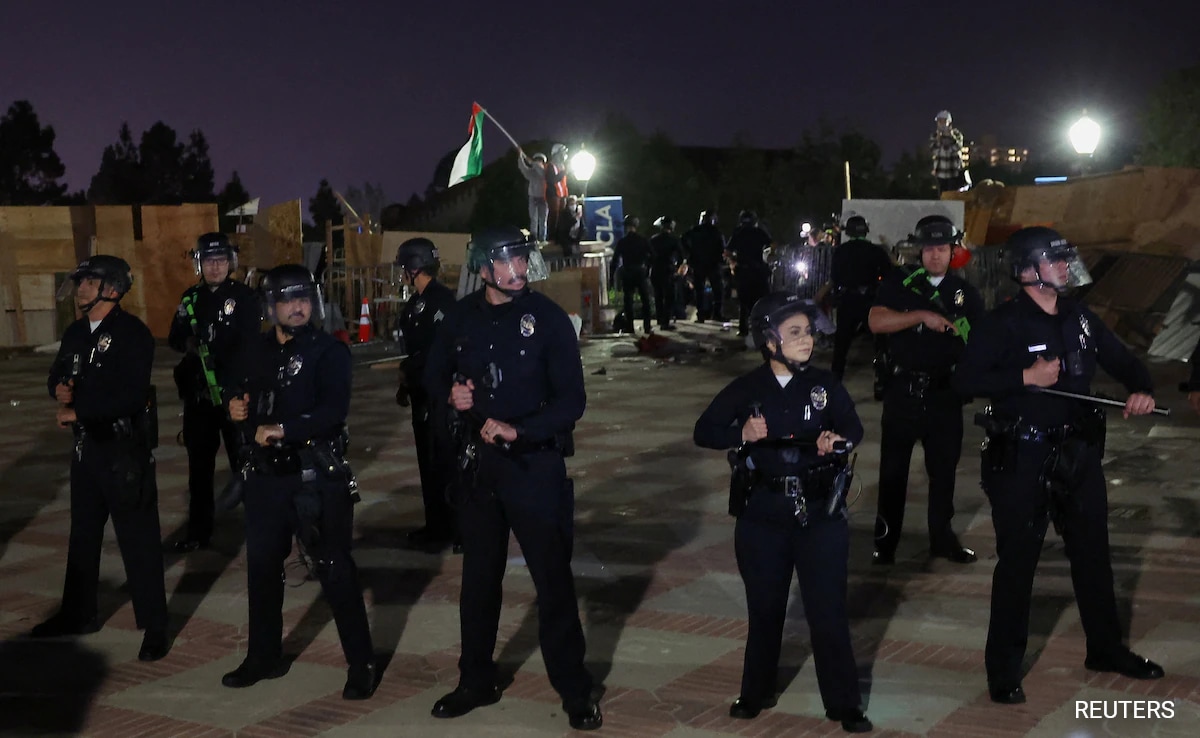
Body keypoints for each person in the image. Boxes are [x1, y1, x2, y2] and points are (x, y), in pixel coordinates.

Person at [954, 226, 1164, 705]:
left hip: (1078, 456)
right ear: (1028, 271)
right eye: (1056, 260)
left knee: (1093, 556)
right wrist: (1024, 376)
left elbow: (1125, 362)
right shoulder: (1003, 323)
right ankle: (1003, 671)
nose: (1066, 267)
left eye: (1066, 259)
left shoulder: (1080, 317)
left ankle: (1106, 649)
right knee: (1018, 564)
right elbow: (964, 380)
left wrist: (1142, 389)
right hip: (1023, 457)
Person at [424, 227, 601, 731]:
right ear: (483, 268)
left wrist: (520, 429)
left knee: (553, 580)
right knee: (479, 580)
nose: (519, 269)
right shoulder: (459, 317)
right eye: (507, 261)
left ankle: (575, 689)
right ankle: (475, 680)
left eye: (523, 259)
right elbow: (433, 375)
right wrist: (453, 394)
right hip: (479, 468)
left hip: (535, 467)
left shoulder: (546, 319)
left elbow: (573, 401)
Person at [693, 292, 871, 733]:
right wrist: (741, 432)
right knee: (766, 608)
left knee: (827, 611)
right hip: (762, 515)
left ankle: (844, 703)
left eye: (809, 332)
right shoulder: (748, 388)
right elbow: (704, 431)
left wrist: (839, 441)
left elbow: (854, 426)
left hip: (819, 516)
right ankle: (755, 691)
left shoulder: (825, 385)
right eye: (795, 333)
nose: (807, 340)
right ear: (769, 341)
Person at [222, 264, 376, 700]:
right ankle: (262, 656)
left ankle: (361, 662)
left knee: (334, 569)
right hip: (267, 478)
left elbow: (332, 411)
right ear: (271, 306)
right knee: (262, 568)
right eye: (288, 299)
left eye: (304, 298)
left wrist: (284, 429)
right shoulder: (254, 349)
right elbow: (240, 395)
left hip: (315, 476)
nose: (297, 307)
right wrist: (236, 410)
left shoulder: (330, 352)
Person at [37, 255, 169, 662]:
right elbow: (58, 373)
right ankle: (77, 614)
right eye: (80, 282)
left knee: (139, 540)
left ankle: (155, 627)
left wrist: (81, 411)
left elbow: (130, 397)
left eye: (88, 282)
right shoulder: (77, 332)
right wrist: (59, 389)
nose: (80, 289)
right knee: (84, 536)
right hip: (86, 451)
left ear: (111, 288)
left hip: (123, 451)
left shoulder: (133, 334)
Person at [868, 215, 982, 565]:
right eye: (929, 248)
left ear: (953, 252)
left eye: (942, 248)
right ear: (920, 251)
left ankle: (942, 540)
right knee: (892, 474)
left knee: (944, 473)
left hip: (944, 395)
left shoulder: (964, 293)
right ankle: (885, 544)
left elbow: (981, 340)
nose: (935, 255)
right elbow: (875, 321)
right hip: (903, 390)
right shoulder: (899, 284)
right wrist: (919, 316)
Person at [167, 233, 261, 552]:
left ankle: (260, 530)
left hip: (233, 395)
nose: (215, 267)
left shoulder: (245, 298)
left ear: (231, 263)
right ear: (200, 264)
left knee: (244, 463)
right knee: (199, 470)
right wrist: (189, 342)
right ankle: (198, 532)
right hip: (200, 398)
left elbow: (250, 346)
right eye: (209, 261)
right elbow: (174, 337)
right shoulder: (190, 298)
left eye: (221, 260)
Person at [394, 237, 459, 552]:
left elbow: (440, 351)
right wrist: (405, 383)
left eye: (404, 267)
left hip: (440, 394)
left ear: (413, 267)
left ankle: (457, 529)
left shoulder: (442, 301)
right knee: (428, 462)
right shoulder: (416, 304)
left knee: (445, 462)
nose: (402, 274)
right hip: (422, 394)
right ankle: (436, 525)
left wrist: (412, 369)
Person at [829, 215, 892, 380]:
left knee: (842, 342)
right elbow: (888, 275)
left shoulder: (841, 251)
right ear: (866, 231)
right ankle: (881, 377)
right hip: (871, 300)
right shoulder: (876, 251)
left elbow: (835, 277)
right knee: (880, 341)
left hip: (848, 299)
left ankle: (835, 378)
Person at [726, 209, 773, 337]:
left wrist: (733, 262)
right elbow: (772, 244)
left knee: (743, 301)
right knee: (760, 300)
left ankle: (743, 329)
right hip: (758, 270)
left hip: (743, 270)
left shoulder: (738, 232)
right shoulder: (759, 232)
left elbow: (728, 251)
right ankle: (761, 328)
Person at [610, 214, 653, 334]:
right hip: (640, 271)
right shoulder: (643, 240)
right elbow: (653, 256)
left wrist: (611, 277)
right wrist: (647, 268)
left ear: (626, 227)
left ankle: (630, 326)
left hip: (627, 272)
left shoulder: (622, 242)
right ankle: (647, 326)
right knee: (645, 300)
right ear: (636, 226)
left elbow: (615, 260)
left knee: (628, 300)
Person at [681, 209, 726, 322]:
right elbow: (722, 247)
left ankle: (701, 315)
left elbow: (682, 240)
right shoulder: (716, 231)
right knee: (717, 290)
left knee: (699, 291)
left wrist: (690, 253)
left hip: (698, 263)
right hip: (713, 264)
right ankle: (717, 314)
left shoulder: (695, 230)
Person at [649, 215, 684, 331]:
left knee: (658, 296)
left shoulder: (653, 239)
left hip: (654, 271)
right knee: (669, 297)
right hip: (667, 271)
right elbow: (681, 256)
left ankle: (659, 319)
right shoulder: (674, 240)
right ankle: (665, 322)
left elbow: (648, 257)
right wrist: (678, 268)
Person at [930, 110, 967, 193]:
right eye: (939, 121)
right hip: (940, 172)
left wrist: (950, 136)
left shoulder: (957, 134)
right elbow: (934, 151)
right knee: (943, 196)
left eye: (943, 121)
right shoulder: (934, 136)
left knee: (953, 196)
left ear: (949, 122)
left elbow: (957, 147)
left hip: (954, 171)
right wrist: (938, 140)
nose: (941, 124)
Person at [517, 150, 549, 242]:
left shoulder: (545, 172)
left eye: (539, 160)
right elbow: (523, 168)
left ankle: (543, 239)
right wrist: (521, 156)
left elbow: (540, 169)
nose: (538, 162)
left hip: (544, 198)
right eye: (536, 160)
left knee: (543, 221)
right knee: (533, 220)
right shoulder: (531, 172)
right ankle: (534, 239)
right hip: (533, 197)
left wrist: (531, 162)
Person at [546, 144, 570, 242]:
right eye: (562, 152)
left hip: (562, 194)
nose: (564, 154)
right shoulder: (550, 166)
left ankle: (561, 236)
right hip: (554, 194)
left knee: (562, 216)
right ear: (557, 154)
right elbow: (551, 180)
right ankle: (552, 237)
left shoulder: (562, 166)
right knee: (554, 216)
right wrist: (564, 172)